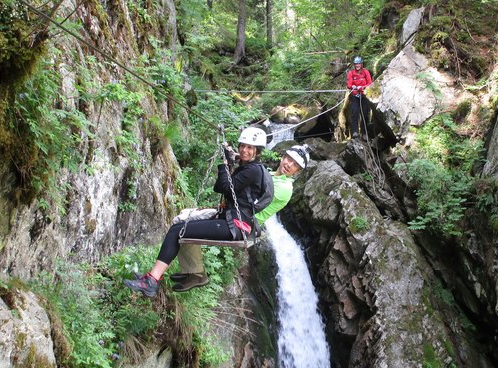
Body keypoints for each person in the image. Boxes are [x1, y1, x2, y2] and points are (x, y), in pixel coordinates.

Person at [124, 127, 309, 298]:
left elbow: (223, 186)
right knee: (181, 224)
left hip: (238, 225)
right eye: (243, 146)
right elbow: (242, 184)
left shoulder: (275, 182)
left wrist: (226, 163)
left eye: (250, 147)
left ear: (258, 150)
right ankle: (192, 273)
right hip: (235, 219)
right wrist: (234, 161)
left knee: (178, 230)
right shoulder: (260, 170)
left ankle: (152, 280)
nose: (245, 150)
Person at [172, 143, 311, 292]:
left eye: (295, 164)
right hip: (233, 213)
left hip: (243, 221)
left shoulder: (284, 188)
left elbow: (241, 190)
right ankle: (193, 271)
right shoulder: (268, 173)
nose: (289, 164)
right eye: (288, 159)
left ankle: (195, 273)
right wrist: (240, 159)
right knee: (183, 219)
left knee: (182, 222)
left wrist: (231, 163)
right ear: (283, 157)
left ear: (298, 171)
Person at [346, 56, 372, 139]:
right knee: (355, 113)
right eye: (356, 64)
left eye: (359, 64)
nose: (357, 65)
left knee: (364, 114)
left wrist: (363, 87)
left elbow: (369, 83)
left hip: (364, 96)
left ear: (361, 64)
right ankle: (355, 132)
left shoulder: (365, 72)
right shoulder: (351, 73)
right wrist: (353, 86)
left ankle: (364, 133)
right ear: (354, 64)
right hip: (354, 96)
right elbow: (349, 84)